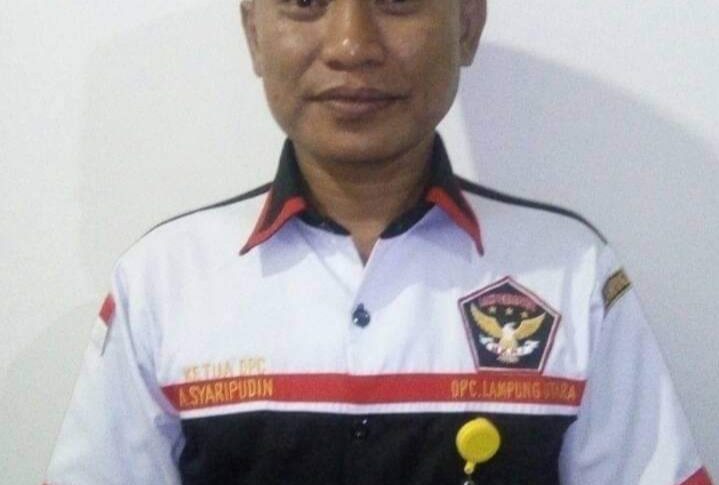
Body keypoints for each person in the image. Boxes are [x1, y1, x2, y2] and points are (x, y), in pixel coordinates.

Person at [46, 1, 712, 484]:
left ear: (467, 24)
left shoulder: (568, 273)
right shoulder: (164, 282)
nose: (351, 44)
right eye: (306, 1)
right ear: (253, 34)